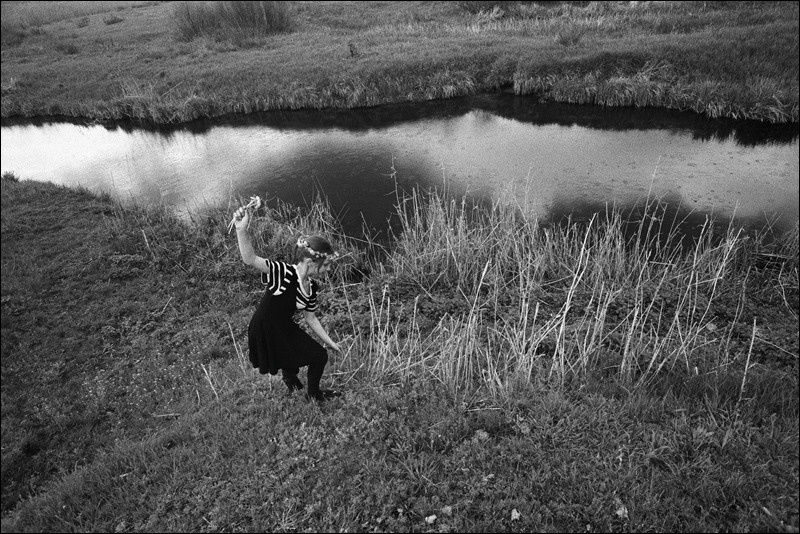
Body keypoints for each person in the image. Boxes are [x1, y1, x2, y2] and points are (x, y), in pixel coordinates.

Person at [233, 202, 342, 403]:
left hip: (283, 326)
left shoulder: (311, 286)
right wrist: (241, 230)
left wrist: (330, 342)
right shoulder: (283, 272)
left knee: (310, 353)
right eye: (326, 265)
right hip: (265, 327)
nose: (328, 269)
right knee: (317, 356)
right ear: (310, 262)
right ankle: (312, 395)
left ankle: (295, 382)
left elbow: (310, 318)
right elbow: (251, 259)